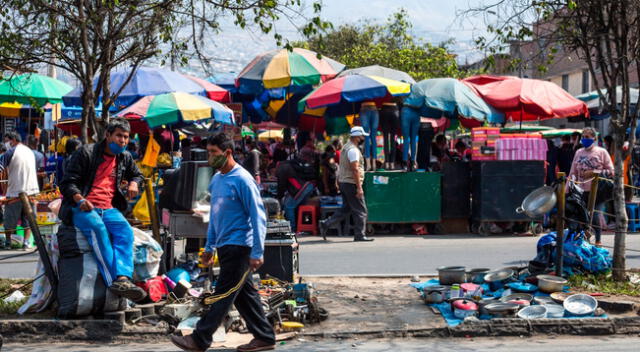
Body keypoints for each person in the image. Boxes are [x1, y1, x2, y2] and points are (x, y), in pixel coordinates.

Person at [170, 132, 275, 352]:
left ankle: (200, 339)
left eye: (213, 153)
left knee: (223, 295)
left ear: (227, 153)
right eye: (208, 152)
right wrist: (209, 247)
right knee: (245, 296)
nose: (209, 158)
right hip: (225, 247)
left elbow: (258, 217)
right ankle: (265, 336)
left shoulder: (243, 179)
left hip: (240, 246)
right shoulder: (217, 180)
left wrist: (258, 250)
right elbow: (215, 218)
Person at [59, 119, 146, 301]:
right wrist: (80, 199)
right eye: (119, 136)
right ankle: (114, 281)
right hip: (81, 207)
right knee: (98, 230)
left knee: (126, 232)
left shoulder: (125, 157)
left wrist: (134, 183)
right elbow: (67, 183)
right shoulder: (86, 152)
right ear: (108, 135)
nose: (123, 141)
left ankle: (123, 277)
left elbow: (138, 175)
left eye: (126, 137)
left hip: (109, 208)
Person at [319, 127, 373, 242]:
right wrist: (359, 188)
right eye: (362, 136)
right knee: (361, 210)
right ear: (357, 137)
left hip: (344, 182)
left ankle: (326, 223)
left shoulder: (345, 148)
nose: (363, 138)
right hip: (351, 183)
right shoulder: (353, 150)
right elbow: (355, 170)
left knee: (346, 208)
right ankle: (360, 235)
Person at [568, 127, 614, 246]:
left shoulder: (601, 152)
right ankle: (583, 240)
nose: (584, 139)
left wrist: (593, 172)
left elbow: (611, 171)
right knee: (582, 216)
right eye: (583, 137)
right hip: (580, 190)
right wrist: (567, 188)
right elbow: (572, 171)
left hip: (597, 190)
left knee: (595, 216)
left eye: (587, 137)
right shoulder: (578, 152)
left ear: (594, 138)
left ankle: (598, 240)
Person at [0, 132, 40, 250]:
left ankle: (8, 242)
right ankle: (26, 242)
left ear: (12, 140)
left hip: (15, 192)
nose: (7, 144)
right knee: (29, 219)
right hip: (32, 191)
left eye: (7, 141)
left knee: (9, 220)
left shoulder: (10, 152)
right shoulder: (30, 152)